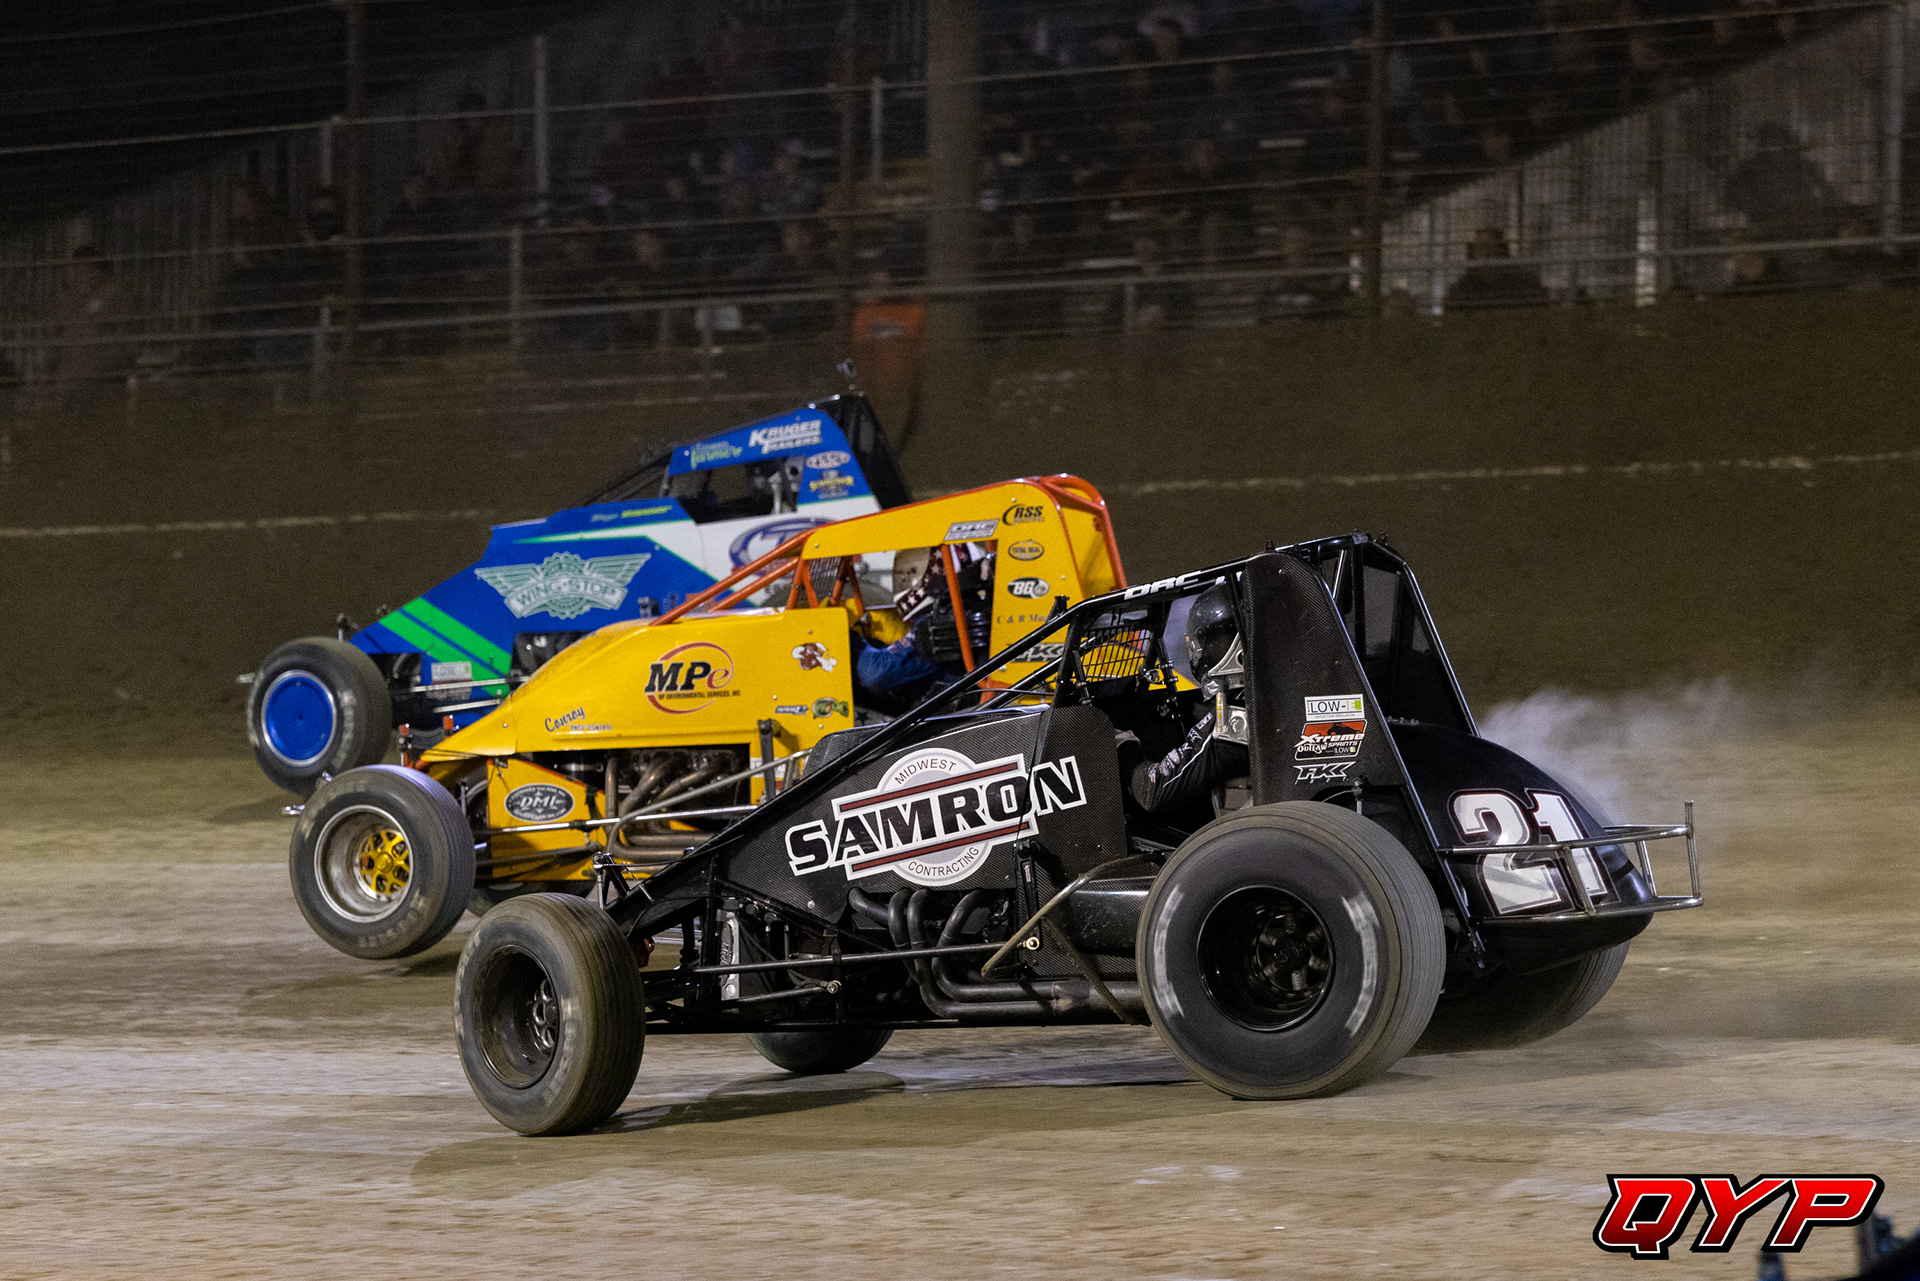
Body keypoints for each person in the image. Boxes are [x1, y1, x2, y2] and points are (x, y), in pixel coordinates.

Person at [1122, 584, 1249, 815]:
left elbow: (1152, 791)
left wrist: (1123, 745)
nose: (1200, 651)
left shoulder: (1237, 716)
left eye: (1209, 641)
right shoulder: (1266, 694)